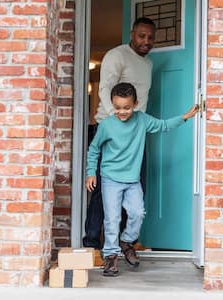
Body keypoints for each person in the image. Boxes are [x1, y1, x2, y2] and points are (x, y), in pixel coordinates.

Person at [85, 82, 199, 277]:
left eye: (127, 107)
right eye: (118, 107)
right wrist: (90, 172)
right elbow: (94, 149)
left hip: (132, 180)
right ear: (113, 104)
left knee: (137, 213)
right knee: (112, 219)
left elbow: (163, 125)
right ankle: (110, 257)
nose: (122, 112)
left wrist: (185, 117)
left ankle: (127, 241)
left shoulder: (142, 120)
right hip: (110, 179)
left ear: (135, 103)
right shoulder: (106, 126)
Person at [83, 17, 156, 251]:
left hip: (135, 134)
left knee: (133, 187)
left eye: (150, 37)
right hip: (111, 131)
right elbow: (105, 89)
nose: (146, 41)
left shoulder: (148, 64)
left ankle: (128, 242)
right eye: (141, 36)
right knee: (102, 191)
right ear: (132, 33)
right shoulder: (117, 55)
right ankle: (92, 245)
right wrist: (116, 122)